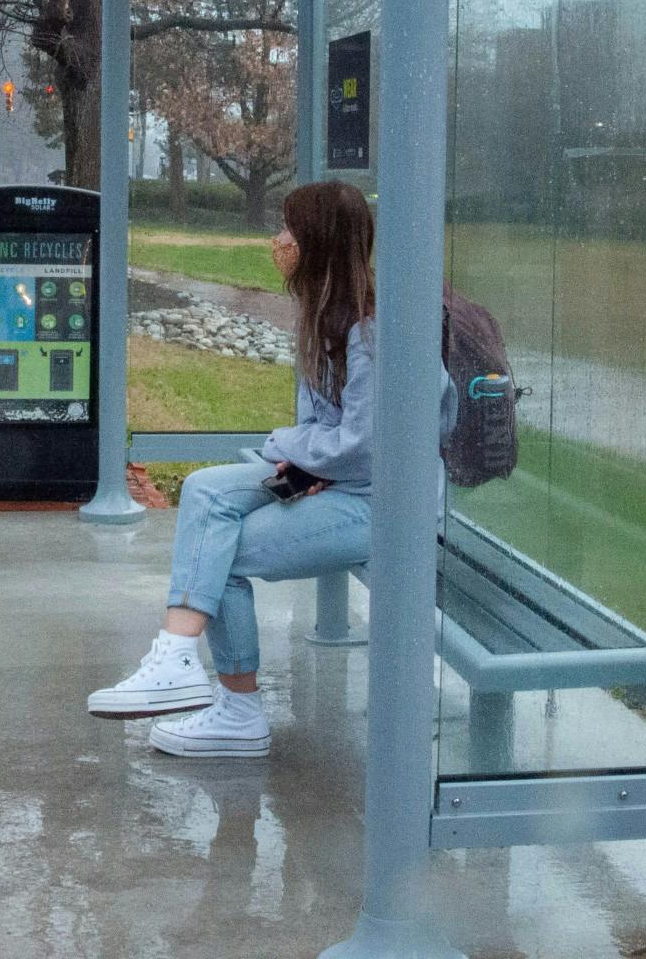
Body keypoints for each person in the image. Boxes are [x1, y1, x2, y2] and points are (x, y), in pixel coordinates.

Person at [86, 180, 452, 758]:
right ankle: (178, 657)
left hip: (383, 504)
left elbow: (362, 445)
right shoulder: (326, 315)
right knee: (206, 491)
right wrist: (307, 457)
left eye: (289, 230)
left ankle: (238, 711)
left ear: (319, 241)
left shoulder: (373, 329)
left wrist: (298, 447)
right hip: (338, 482)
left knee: (219, 552)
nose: (277, 241)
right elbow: (326, 434)